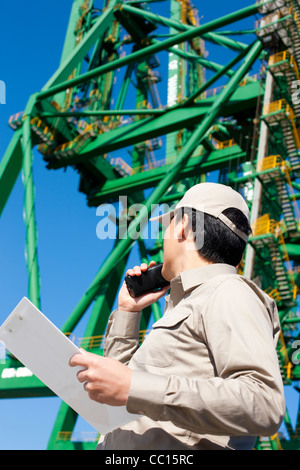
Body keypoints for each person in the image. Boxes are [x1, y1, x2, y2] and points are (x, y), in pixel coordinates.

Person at [69, 182, 286, 450]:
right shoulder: (192, 303)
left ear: (183, 226)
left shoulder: (228, 291)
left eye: (167, 226)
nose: (163, 238)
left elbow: (264, 404)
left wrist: (134, 386)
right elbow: (123, 398)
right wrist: (127, 311)